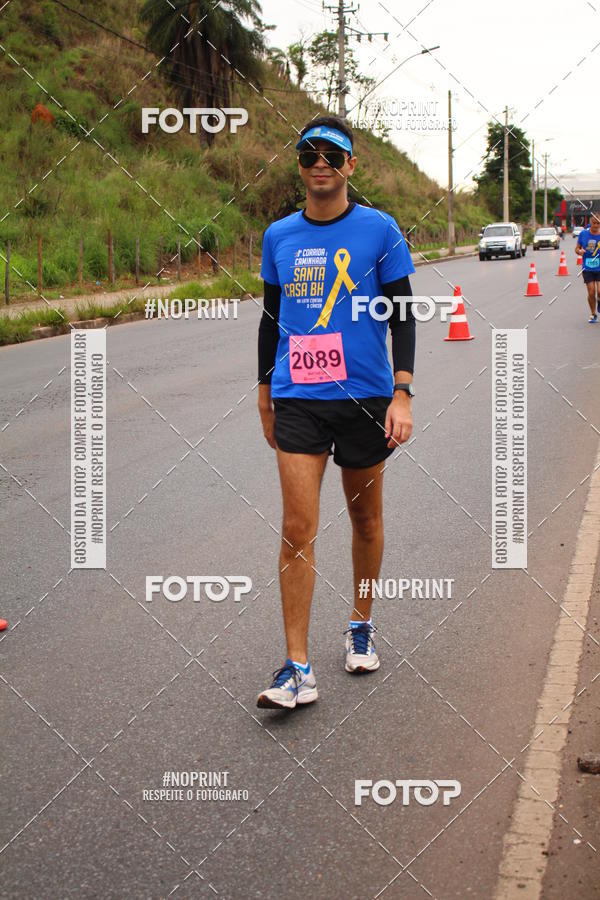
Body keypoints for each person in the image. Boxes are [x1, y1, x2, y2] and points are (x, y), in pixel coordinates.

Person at [256, 115, 416, 709]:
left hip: (366, 400)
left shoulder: (380, 230)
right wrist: (265, 390)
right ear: (299, 166)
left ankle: (360, 624)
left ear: (350, 165)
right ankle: (296, 666)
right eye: (308, 153)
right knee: (297, 527)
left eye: (332, 153)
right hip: (298, 398)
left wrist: (402, 393)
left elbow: (403, 314)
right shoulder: (279, 236)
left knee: (366, 521)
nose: (319, 161)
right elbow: (271, 319)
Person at [575, 212, 600, 323]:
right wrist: (579, 251)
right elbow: (577, 248)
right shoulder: (583, 234)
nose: (596, 226)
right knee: (591, 292)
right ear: (590, 222)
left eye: (598, 223)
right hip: (588, 267)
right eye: (594, 223)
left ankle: (599, 301)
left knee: (599, 291)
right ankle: (593, 313)